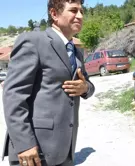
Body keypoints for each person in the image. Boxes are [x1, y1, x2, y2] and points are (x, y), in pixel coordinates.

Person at [2, 0, 95, 166]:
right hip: (34, 152)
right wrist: (24, 144)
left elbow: (88, 83)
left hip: (65, 149)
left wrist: (85, 87)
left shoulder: (75, 50)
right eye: (73, 10)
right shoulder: (33, 41)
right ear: (54, 14)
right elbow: (13, 96)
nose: (80, 16)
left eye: (81, 11)